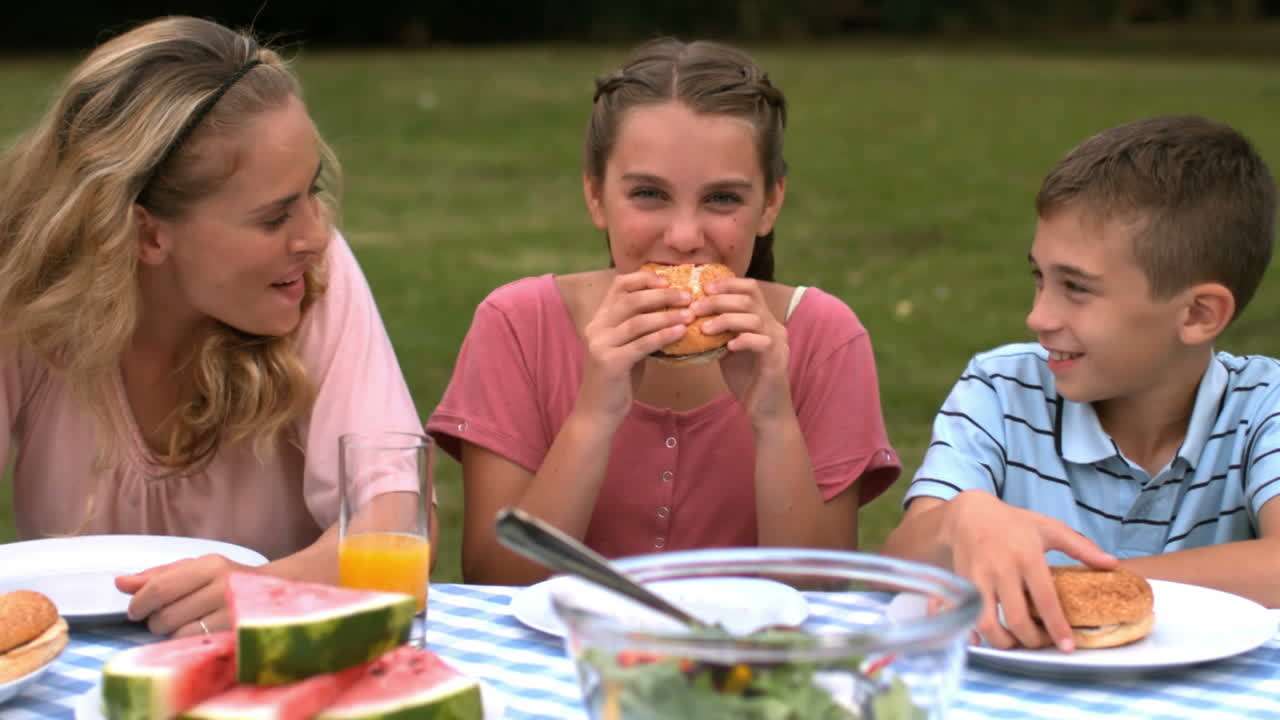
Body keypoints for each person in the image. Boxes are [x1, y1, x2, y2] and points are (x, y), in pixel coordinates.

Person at [0, 16, 434, 637]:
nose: (313, 234)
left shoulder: (312, 274)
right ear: (148, 232)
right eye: (273, 217)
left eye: (312, 192)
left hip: (266, 668)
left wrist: (270, 587)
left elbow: (397, 522)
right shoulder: (22, 293)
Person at [427, 38, 901, 585]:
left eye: (723, 199)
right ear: (595, 196)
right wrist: (592, 417)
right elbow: (497, 582)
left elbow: (821, 595)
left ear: (770, 204)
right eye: (649, 194)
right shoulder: (517, 325)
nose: (683, 237)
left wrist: (774, 422)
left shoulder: (824, 337)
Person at [882, 115, 1280, 652]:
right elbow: (900, 566)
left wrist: (1084, 588)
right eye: (1040, 278)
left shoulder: (1263, 405)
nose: (1038, 316)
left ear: (1198, 314)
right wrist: (958, 522)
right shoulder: (1001, 389)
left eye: (1076, 287)